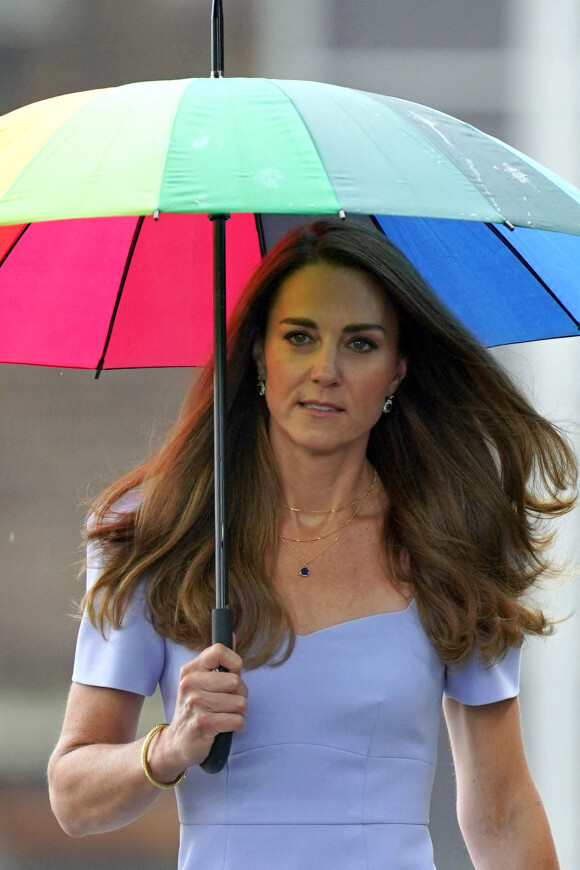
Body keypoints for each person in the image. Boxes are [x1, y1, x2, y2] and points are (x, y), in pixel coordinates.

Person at [48, 218, 576, 869]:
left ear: (397, 371)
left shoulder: (449, 539)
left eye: (360, 344)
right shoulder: (157, 532)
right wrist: (169, 746)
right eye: (300, 337)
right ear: (258, 356)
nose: (325, 370)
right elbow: (72, 798)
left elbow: (500, 809)